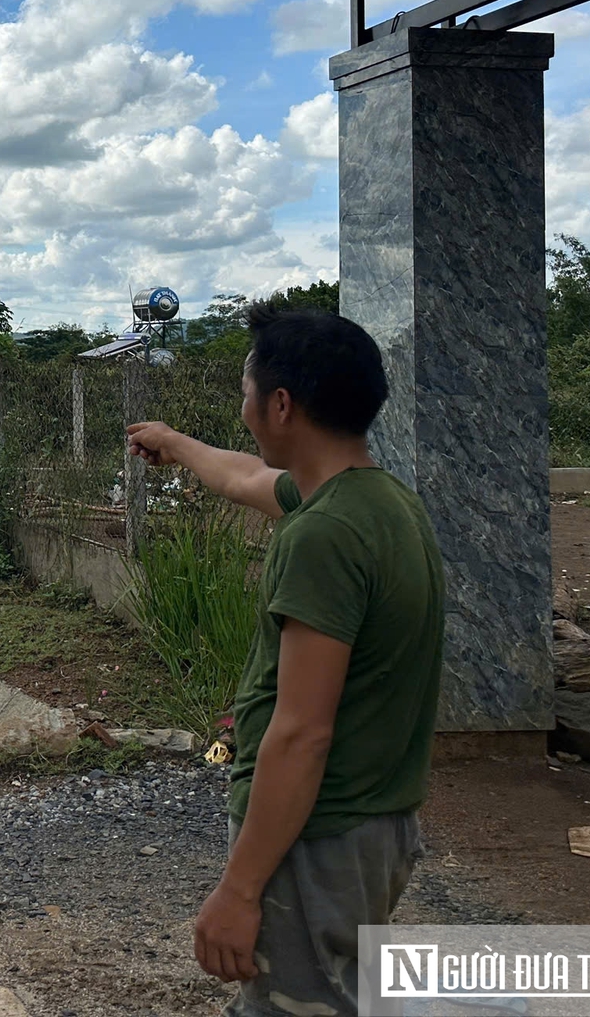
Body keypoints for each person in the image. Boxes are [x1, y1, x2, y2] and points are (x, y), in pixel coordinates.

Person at [127, 305, 444, 1017]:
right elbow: (243, 478)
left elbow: (303, 732)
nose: (242, 411)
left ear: (279, 404)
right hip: (374, 827)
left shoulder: (321, 537)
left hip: (318, 838)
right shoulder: (383, 504)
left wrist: (239, 890)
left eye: (245, 392)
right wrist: (174, 443)